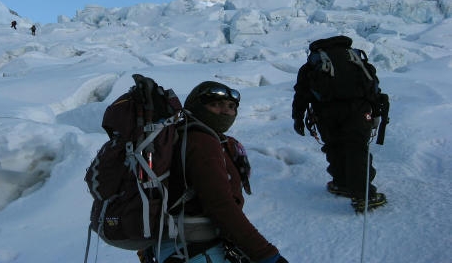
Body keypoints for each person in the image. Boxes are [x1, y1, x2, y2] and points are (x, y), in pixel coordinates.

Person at [146, 81, 287, 263]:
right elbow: (221, 205)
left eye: (231, 106)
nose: (226, 111)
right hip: (193, 248)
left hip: (176, 245)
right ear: (196, 106)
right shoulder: (201, 141)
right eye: (216, 104)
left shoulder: (184, 134)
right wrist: (266, 254)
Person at [291, 36, 387, 212]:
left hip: (325, 113)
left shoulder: (312, 65)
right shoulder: (355, 59)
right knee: (357, 148)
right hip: (358, 109)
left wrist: (298, 118)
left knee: (334, 146)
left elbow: (301, 94)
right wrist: (376, 111)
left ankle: (342, 183)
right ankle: (364, 195)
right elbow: (371, 86)